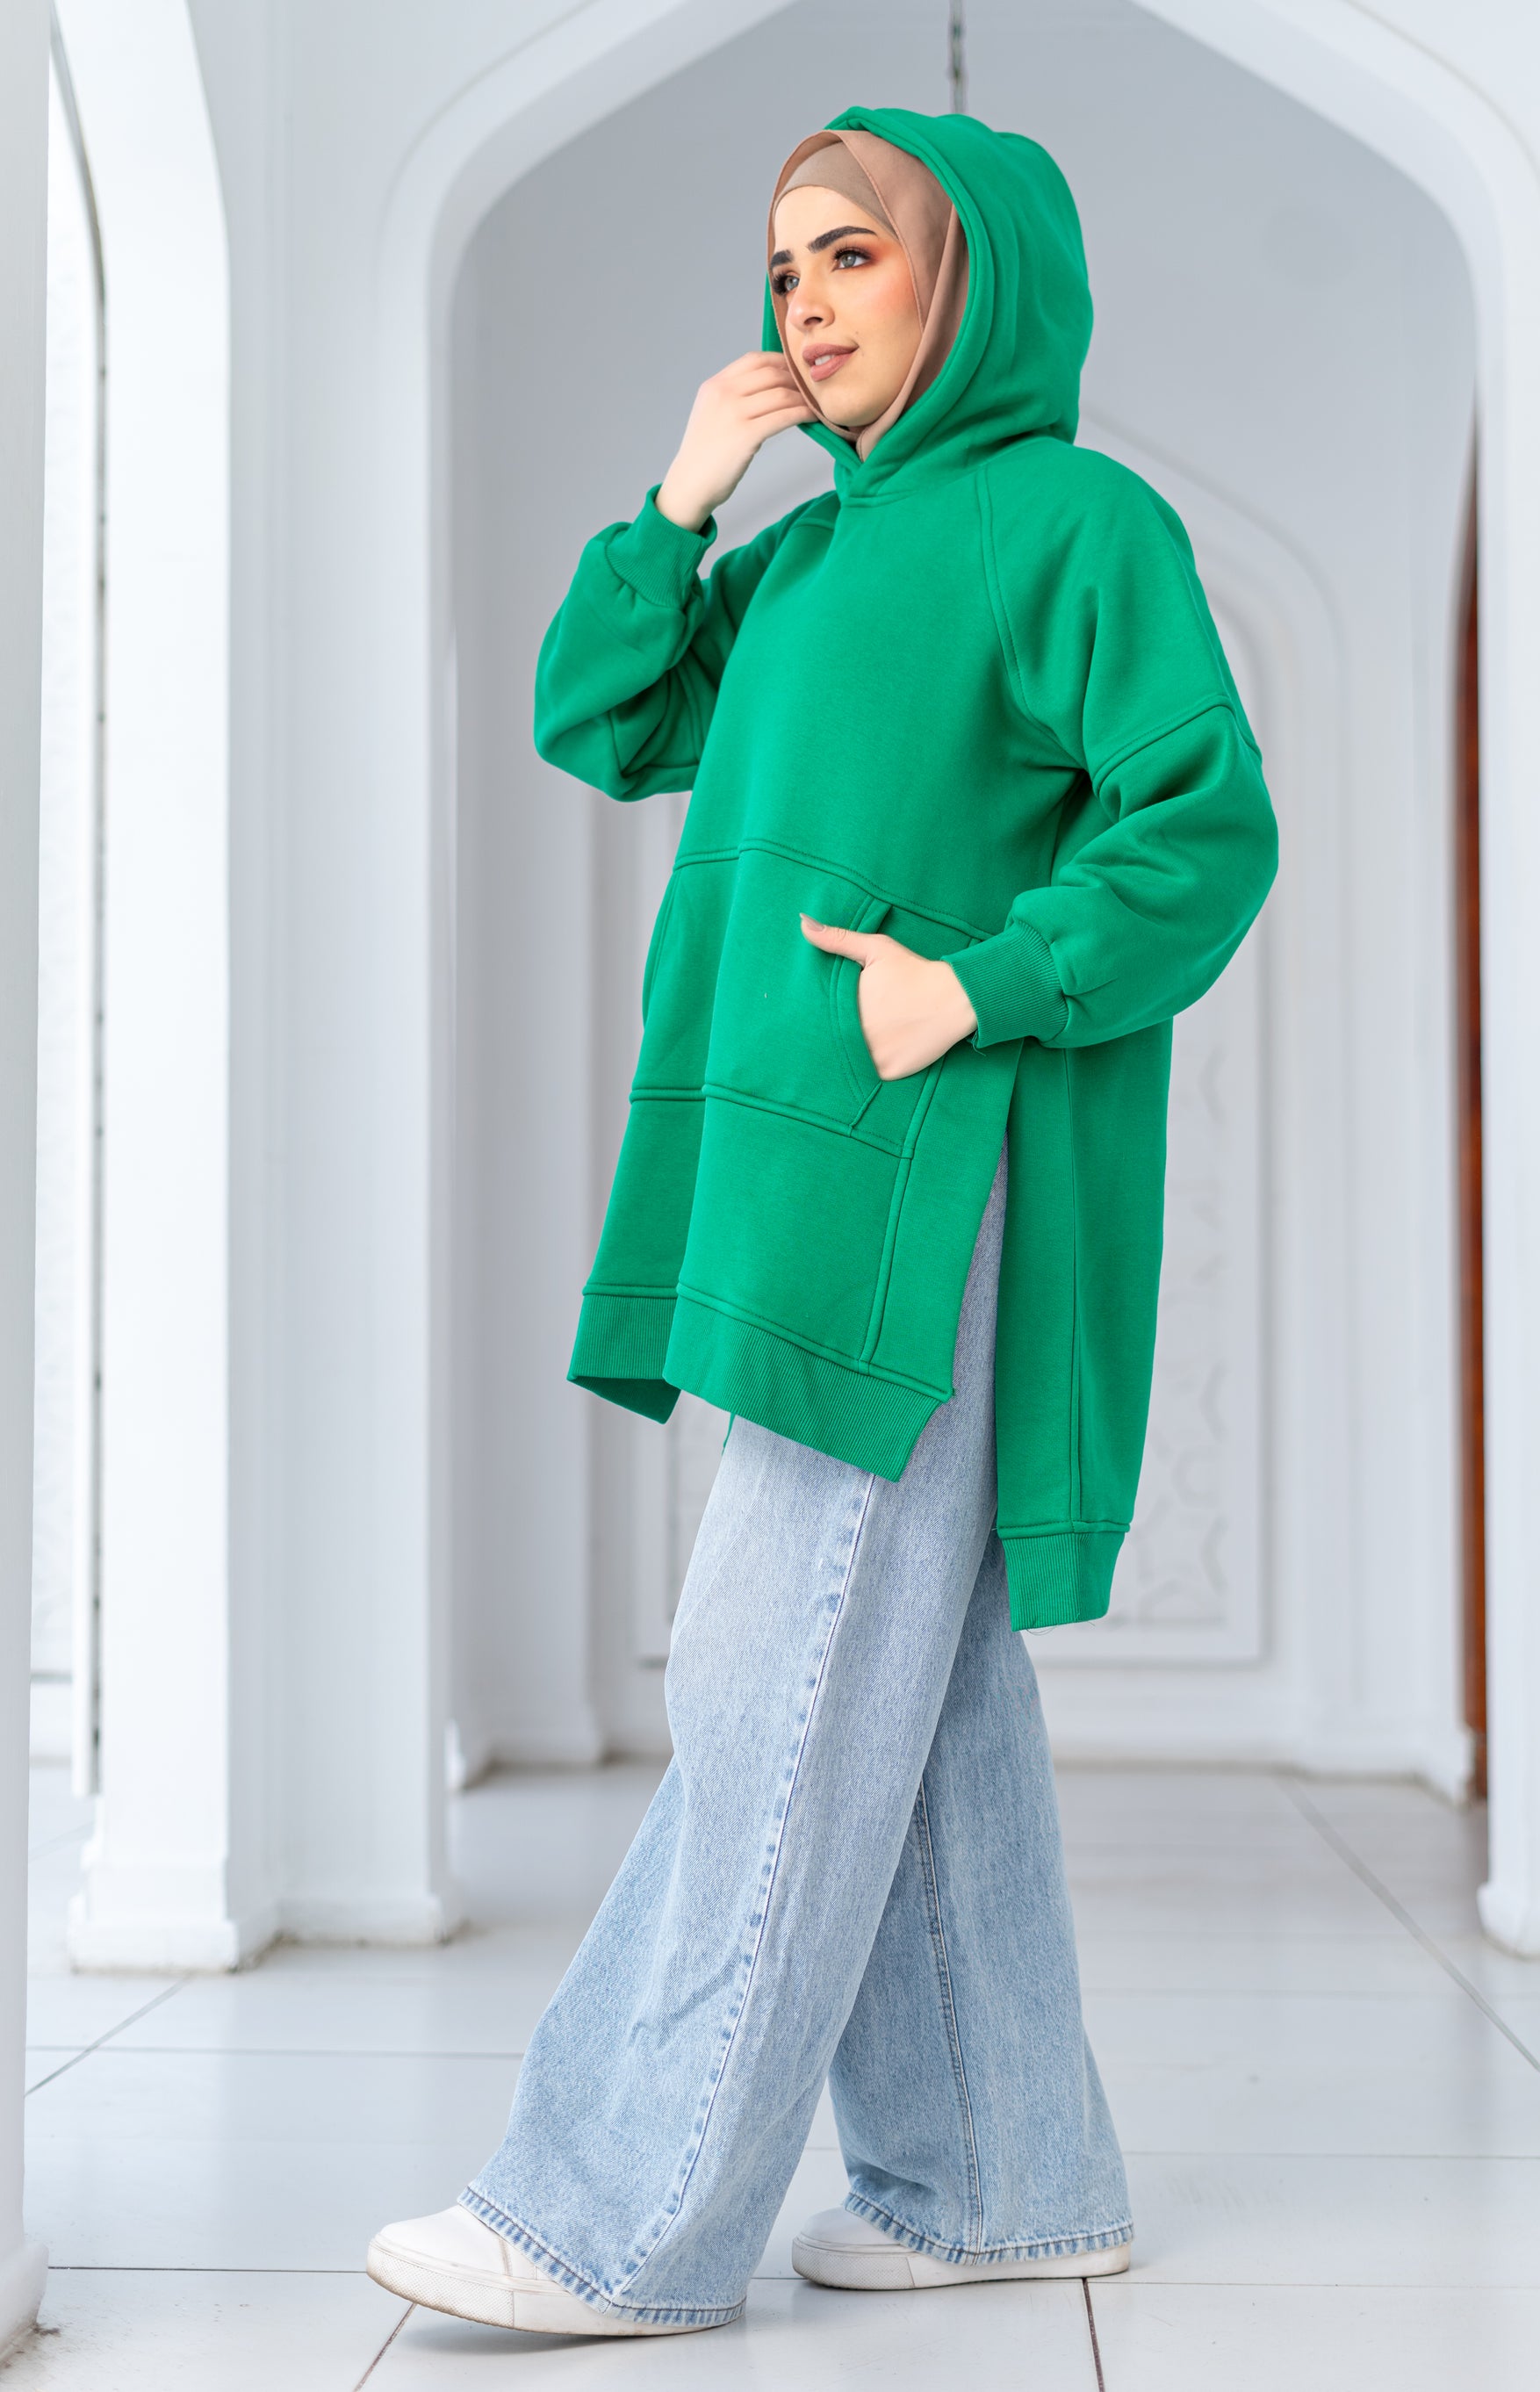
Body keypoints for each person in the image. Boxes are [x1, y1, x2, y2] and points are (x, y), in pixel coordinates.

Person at [367, 105, 1277, 2339]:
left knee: (771, 1676)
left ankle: (612, 2217)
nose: (806, 299)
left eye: (853, 253)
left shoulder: (1078, 522)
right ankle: (1000, 2184)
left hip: (930, 1185)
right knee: (907, 1682)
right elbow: (601, 716)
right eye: (784, 266)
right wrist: (684, 494)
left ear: (970, 275)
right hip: (787, 1177)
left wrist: (976, 982)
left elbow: (1205, 829)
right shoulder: (788, 560)